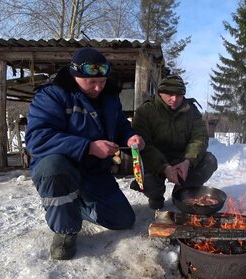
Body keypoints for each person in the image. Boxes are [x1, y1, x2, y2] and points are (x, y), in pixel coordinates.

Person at [25, 47, 145, 260]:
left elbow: (119, 126)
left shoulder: (109, 97)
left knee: (123, 220)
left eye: (103, 81)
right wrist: (88, 147)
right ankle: (65, 231)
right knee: (53, 168)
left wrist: (129, 137)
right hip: (63, 168)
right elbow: (37, 139)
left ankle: (75, 204)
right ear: (75, 76)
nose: (98, 87)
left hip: (94, 172)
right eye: (91, 82)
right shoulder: (53, 94)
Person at [131, 74, 218, 209]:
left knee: (209, 160)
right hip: (155, 160)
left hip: (181, 158)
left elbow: (199, 138)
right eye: (169, 94)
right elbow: (144, 145)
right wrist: (164, 168)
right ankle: (155, 196)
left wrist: (187, 161)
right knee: (142, 172)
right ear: (160, 93)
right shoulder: (146, 111)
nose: (174, 99)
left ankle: (182, 192)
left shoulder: (191, 110)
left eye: (179, 95)